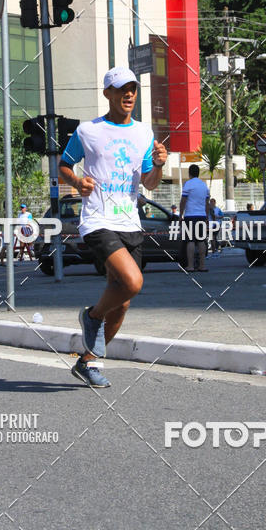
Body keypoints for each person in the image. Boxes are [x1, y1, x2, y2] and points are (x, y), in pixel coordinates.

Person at [59, 67, 167, 388]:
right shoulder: (87, 131)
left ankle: (87, 362)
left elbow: (149, 183)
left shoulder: (144, 133)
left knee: (123, 300)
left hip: (129, 221)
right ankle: (92, 317)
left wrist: (159, 165)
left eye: (132, 88)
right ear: (107, 93)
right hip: (97, 219)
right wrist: (77, 182)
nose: (129, 94)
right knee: (133, 281)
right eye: (121, 89)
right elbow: (64, 164)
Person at [180, 165, 210, 272]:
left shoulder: (188, 184)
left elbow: (183, 201)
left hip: (190, 216)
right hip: (201, 216)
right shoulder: (204, 186)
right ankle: (202, 265)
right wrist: (206, 217)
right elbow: (207, 203)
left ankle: (190, 266)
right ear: (198, 173)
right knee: (201, 241)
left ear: (189, 173)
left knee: (190, 241)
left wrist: (180, 215)